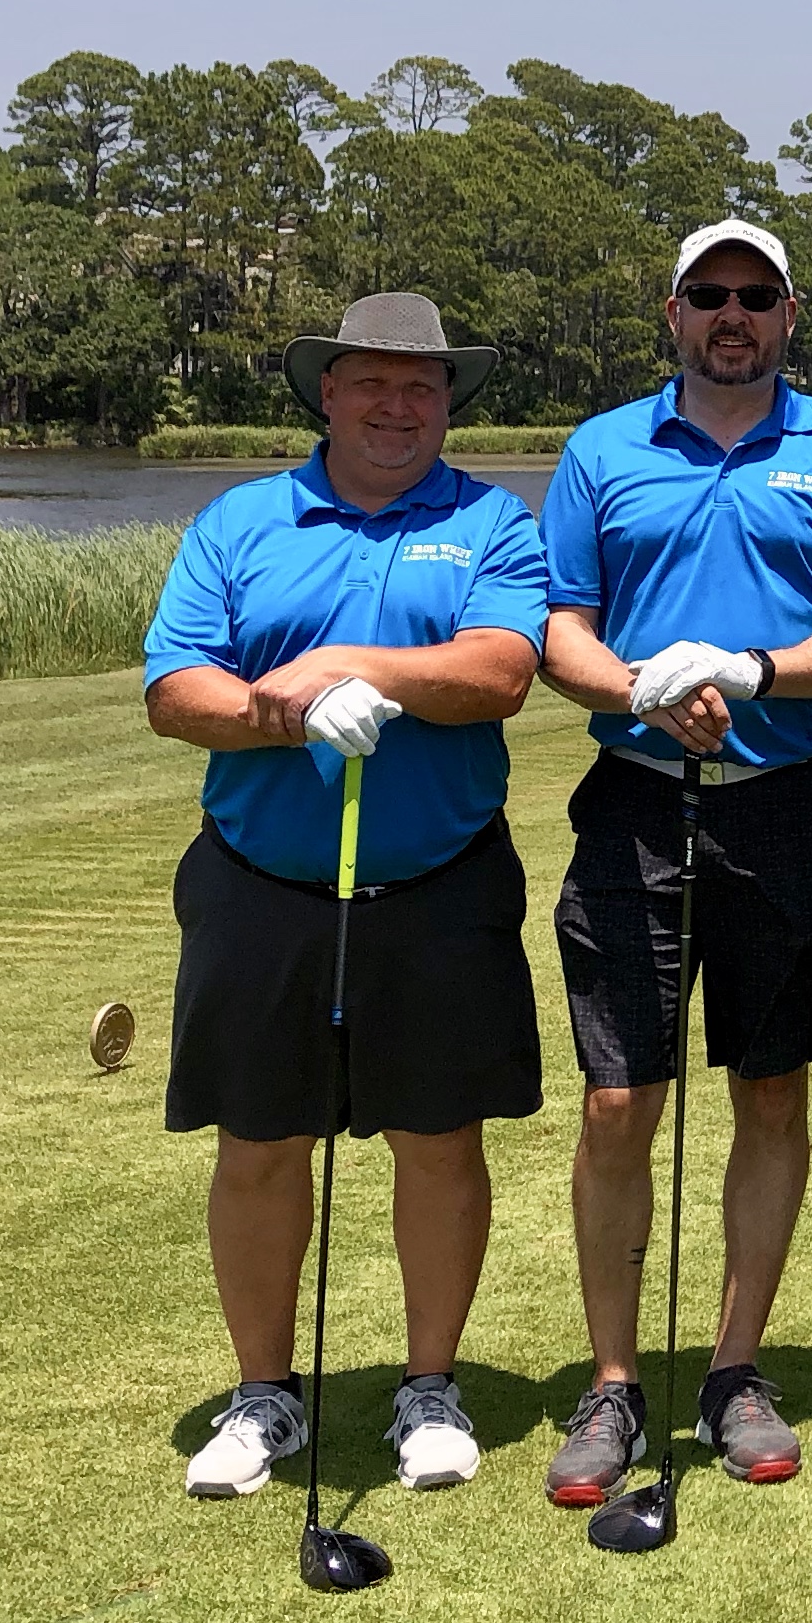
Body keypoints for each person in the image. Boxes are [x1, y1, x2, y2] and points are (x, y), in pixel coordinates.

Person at [142, 292, 553, 1505]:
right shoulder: (242, 520)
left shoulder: (488, 521)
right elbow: (174, 689)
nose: (396, 405)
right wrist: (285, 711)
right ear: (326, 392)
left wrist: (354, 668)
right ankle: (264, 1394)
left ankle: (430, 1389)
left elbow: (502, 672)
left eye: (421, 386)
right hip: (263, 883)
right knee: (260, 1141)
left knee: (440, 1139)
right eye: (371, 381)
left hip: (437, 882)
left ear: (448, 403)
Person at [533, 218, 812, 1503]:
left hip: (788, 801)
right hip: (637, 801)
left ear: (790, 314)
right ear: (675, 312)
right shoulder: (603, 451)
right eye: (710, 295)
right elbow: (561, 629)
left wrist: (752, 670)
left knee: (771, 1088)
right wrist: (638, 688)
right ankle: (613, 1383)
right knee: (617, 1100)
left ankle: (735, 1369)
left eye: (756, 295)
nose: (732, 314)